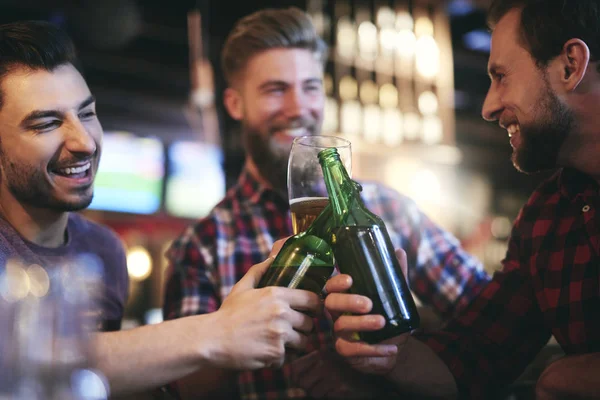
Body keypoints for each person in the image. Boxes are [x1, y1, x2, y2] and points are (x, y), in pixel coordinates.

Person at [162, 7, 490, 399]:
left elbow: (488, 319)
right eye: (276, 89)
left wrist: (394, 358)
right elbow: (182, 390)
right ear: (235, 104)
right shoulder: (202, 244)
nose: (299, 107)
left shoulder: (389, 208)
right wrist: (232, 334)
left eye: (311, 86)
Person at [0, 20, 322, 398]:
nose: (85, 142)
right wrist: (219, 330)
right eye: (47, 123)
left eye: (87, 114)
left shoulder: (103, 250)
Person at [310, 0, 600, 399]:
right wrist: (391, 352)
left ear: (570, 66)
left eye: (501, 76)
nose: (488, 106)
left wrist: (571, 376)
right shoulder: (547, 218)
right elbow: (475, 357)